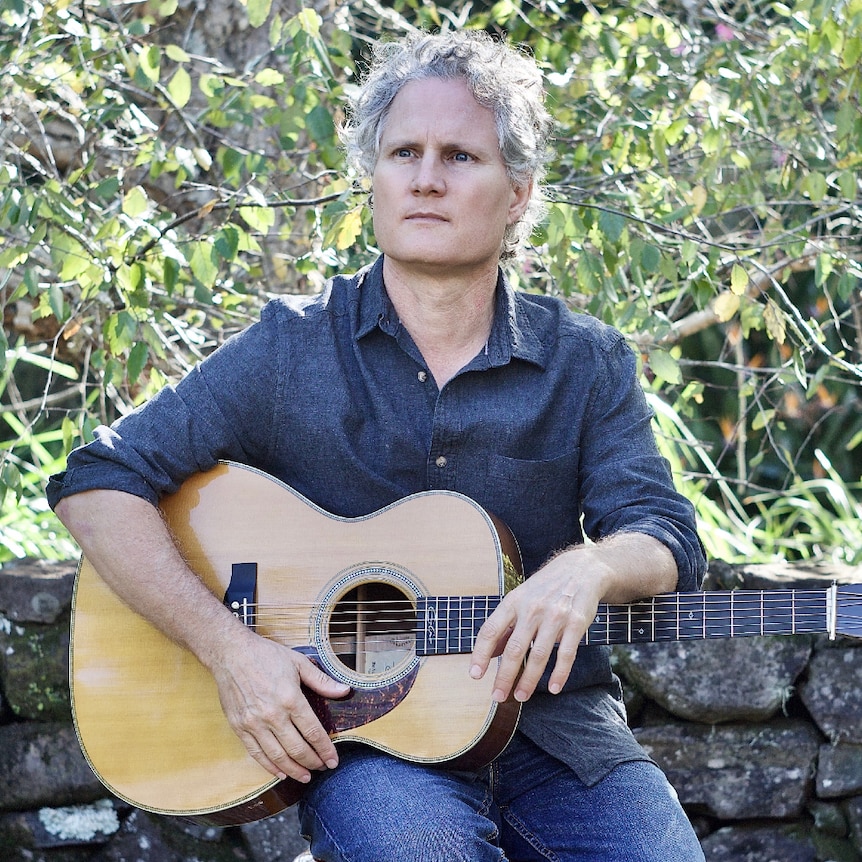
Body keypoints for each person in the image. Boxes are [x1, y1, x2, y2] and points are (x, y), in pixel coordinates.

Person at [49, 29, 707, 861]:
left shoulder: (585, 361)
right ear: (375, 177)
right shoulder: (290, 349)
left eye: (461, 156)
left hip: (560, 737)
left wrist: (593, 566)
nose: (426, 178)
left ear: (518, 193)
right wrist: (229, 650)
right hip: (371, 750)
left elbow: (667, 535)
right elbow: (95, 482)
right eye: (404, 152)